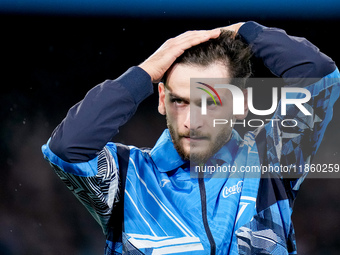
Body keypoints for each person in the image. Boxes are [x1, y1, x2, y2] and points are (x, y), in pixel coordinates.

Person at [42, 21, 339, 254]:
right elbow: (67, 148)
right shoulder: (127, 175)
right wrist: (145, 72)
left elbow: (318, 74)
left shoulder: (270, 160)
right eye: (180, 101)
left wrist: (243, 31)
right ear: (161, 99)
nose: (192, 122)